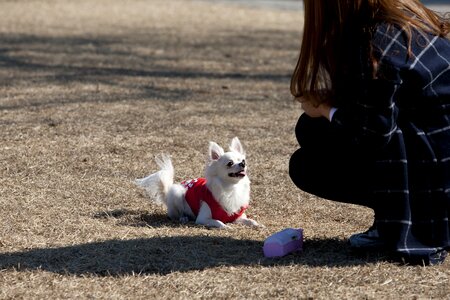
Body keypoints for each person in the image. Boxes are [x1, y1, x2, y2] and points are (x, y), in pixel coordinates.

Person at [289, 0, 450, 265]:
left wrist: (326, 109)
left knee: (306, 165)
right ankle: (392, 218)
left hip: (434, 179)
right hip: (439, 149)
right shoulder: (405, 16)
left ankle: (396, 223)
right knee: (310, 129)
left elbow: (374, 133)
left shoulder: (375, 42)